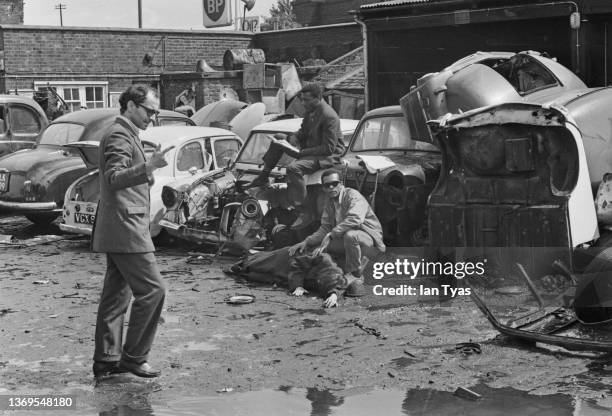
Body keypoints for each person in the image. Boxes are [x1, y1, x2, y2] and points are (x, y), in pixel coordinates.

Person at [91, 85, 168, 379]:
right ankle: (134, 358)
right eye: (149, 110)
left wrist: (146, 171)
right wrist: (148, 165)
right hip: (127, 229)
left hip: (121, 227)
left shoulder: (125, 133)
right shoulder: (121, 134)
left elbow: (126, 178)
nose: (152, 116)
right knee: (153, 290)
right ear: (132, 106)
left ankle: (106, 361)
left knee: (116, 297)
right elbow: (112, 179)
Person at [246, 83, 345, 226]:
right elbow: (303, 131)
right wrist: (294, 138)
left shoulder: (329, 116)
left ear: (317, 98)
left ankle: (305, 211)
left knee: (293, 168)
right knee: (279, 138)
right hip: (311, 149)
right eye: (302, 99)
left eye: (306, 100)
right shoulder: (311, 110)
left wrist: (301, 153)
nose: (303, 103)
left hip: (327, 156)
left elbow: (328, 148)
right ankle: (263, 176)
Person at [289, 169, 386, 294]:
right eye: (327, 185)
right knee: (316, 249)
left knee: (351, 235)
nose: (331, 187)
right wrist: (306, 242)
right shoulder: (329, 202)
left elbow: (355, 219)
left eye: (334, 183)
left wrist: (332, 234)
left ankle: (355, 274)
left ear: (341, 184)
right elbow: (325, 228)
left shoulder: (353, 195)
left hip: (370, 243)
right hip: (347, 242)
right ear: (323, 188)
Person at [228, 246, 350, 308]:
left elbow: (337, 285)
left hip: (287, 275)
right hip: (288, 258)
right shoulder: (324, 259)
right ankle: (242, 263)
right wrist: (298, 286)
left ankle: (243, 269)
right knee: (259, 263)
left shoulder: (339, 279)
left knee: (260, 277)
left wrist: (333, 295)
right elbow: (297, 264)